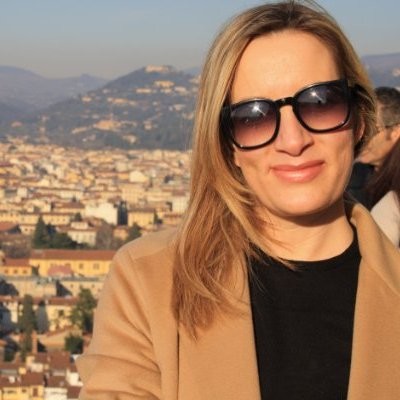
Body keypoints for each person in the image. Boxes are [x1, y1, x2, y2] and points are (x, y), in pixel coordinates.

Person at [76, 1, 400, 399]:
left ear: (358, 120)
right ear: (228, 145)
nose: (293, 141)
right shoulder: (149, 282)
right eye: (254, 116)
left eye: (320, 102)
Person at [347, 87, 400, 208]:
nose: (360, 138)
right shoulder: (353, 176)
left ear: (395, 132)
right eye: (356, 128)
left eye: (370, 130)